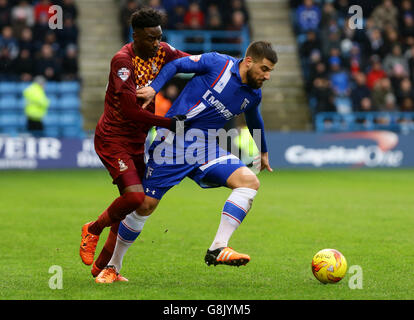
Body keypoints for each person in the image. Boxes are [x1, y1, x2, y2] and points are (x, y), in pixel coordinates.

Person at [93, 41, 277, 283]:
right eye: (265, 69)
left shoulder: (253, 94)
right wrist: (154, 88)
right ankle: (112, 267)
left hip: (206, 146)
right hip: (173, 142)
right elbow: (177, 65)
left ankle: (218, 248)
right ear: (249, 61)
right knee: (145, 205)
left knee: (248, 182)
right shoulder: (217, 62)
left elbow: (255, 119)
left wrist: (263, 152)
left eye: (270, 71)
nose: (267, 76)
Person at [79, 8, 189, 281]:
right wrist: (168, 123)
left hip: (137, 141)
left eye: (159, 37)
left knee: (130, 205)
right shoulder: (123, 62)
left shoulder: (162, 51)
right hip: (113, 138)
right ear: (135, 36)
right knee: (135, 198)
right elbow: (129, 111)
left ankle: (103, 268)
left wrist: (225, 66)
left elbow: (191, 63)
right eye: (151, 38)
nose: (156, 43)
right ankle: (92, 229)